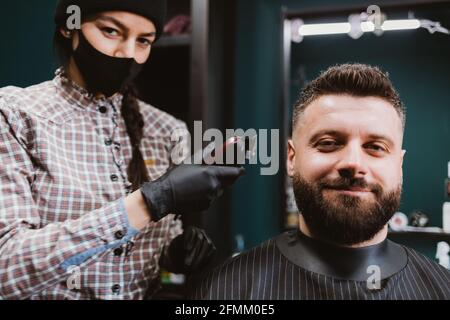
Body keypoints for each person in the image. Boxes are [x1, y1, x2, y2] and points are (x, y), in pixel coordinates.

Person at [0, 0, 244, 300]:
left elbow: (150, 242)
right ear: (69, 26)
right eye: (111, 31)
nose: (129, 53)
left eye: (143, 40)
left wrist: (171, 251)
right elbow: (6, 268)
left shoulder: (167, 130)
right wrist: (147, 203)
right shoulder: (14, 115)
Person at [192, 64, 450, 300]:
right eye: (328, 143)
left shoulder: (442, 289)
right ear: (291, 158)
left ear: (399, 166)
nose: (353, 163)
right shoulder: (227, 291)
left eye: (375, 147)